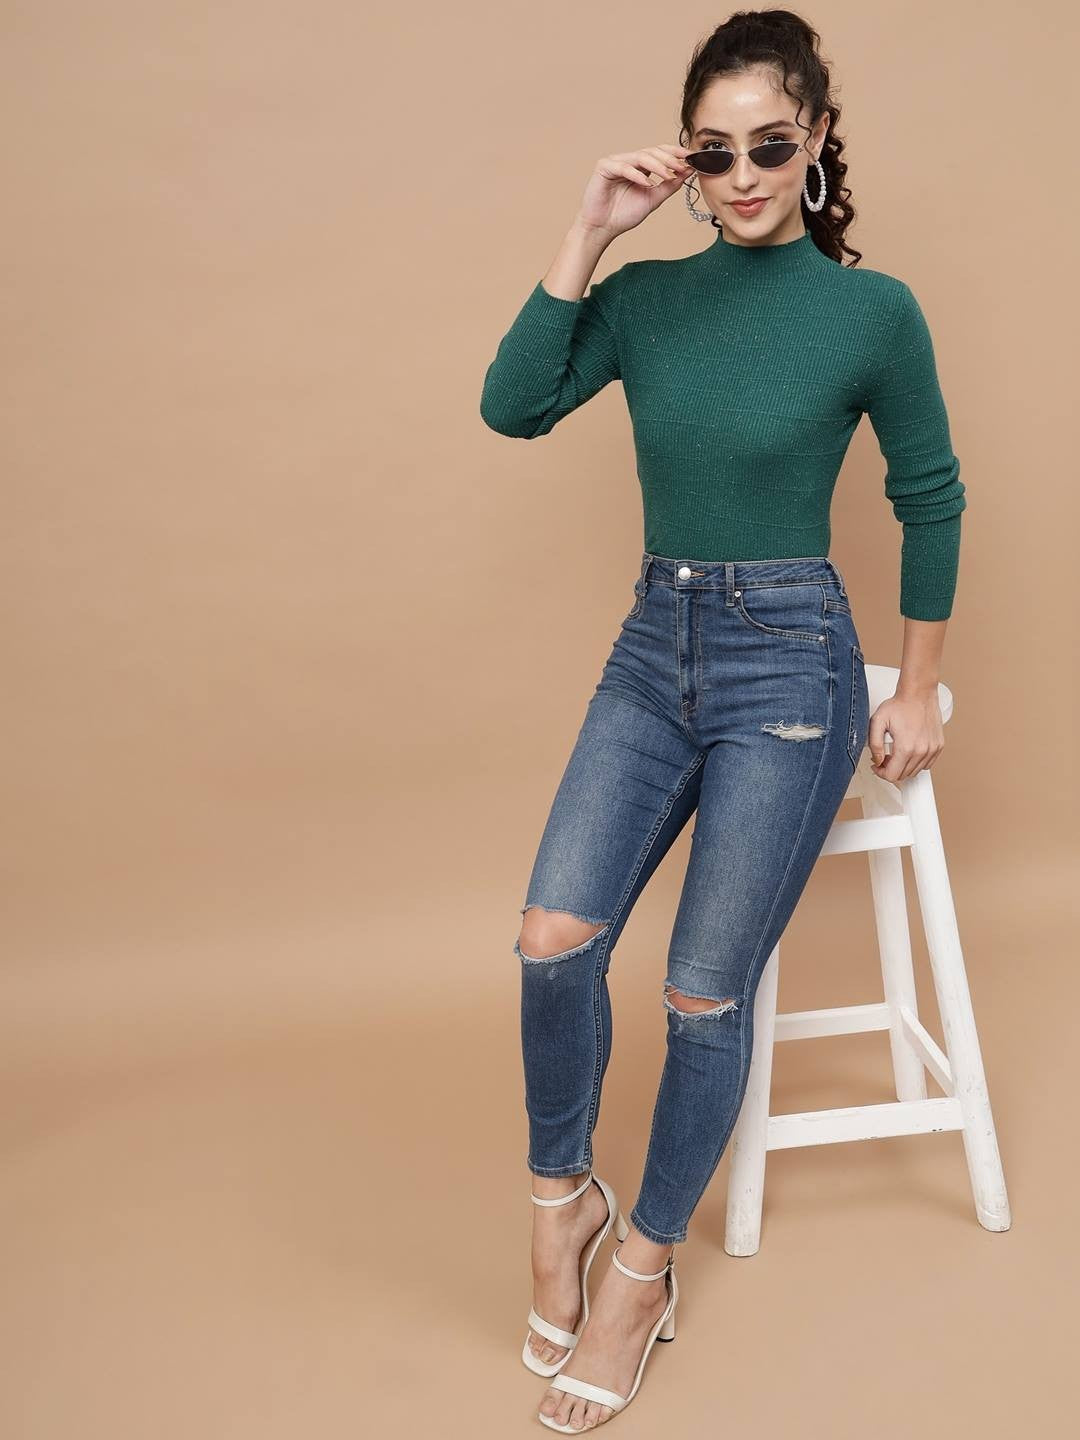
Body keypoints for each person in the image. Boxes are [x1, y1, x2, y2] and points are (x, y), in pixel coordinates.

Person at [479, 10, 966, 1432]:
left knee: (702, 991)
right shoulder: (647, 300)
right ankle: (562, 1202)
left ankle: (641, 1272)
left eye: (769, 145)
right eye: (714, 150)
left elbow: (930, 495)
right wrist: (590, 230)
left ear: (816, 142)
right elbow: (512, 406)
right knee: (551, 937)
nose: (743, 175)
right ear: (684, 158)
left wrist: (917, 683)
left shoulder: (872, 314)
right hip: (655, 646)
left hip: (789, 664)